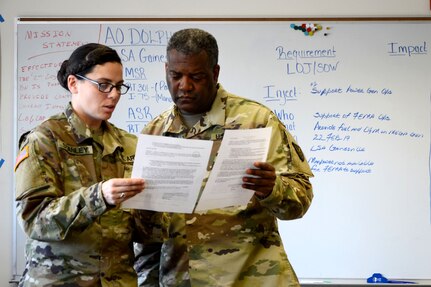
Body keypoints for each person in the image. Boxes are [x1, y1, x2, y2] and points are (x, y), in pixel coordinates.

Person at [134, 28, 314, 286]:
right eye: (176, 76)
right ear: (166, 70)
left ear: (214, 73)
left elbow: (300, 201)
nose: (184, 86)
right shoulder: (155, 133)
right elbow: (147, 239)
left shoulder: (257, 121)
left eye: (196, 76)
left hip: (251, 277)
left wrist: (272, 188)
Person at [15, 43, 152, 286]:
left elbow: (144, 232)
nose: (114, 94)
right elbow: (34, 220)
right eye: (104, 85)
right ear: (73, 83)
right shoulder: (44, 140)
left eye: (119, 87)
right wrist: (99, 196)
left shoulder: (130, 144)